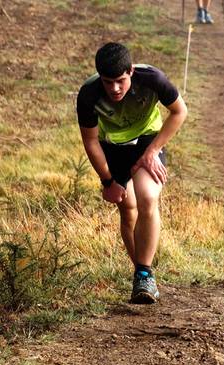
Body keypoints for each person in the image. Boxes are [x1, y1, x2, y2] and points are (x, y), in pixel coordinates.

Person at [76, 42, 187, 304]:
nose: (114, 88)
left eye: (120, 81)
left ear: (131, 71)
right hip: (112, 146)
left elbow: (180, 111)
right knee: (128, 208)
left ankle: (144, 274)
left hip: (148, 140)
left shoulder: (152, 78)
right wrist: (108, 182)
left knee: (148, 196)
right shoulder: (88, 94)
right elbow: (91, 142)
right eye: (108, 82)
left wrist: (153, 151)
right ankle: (142, 272)